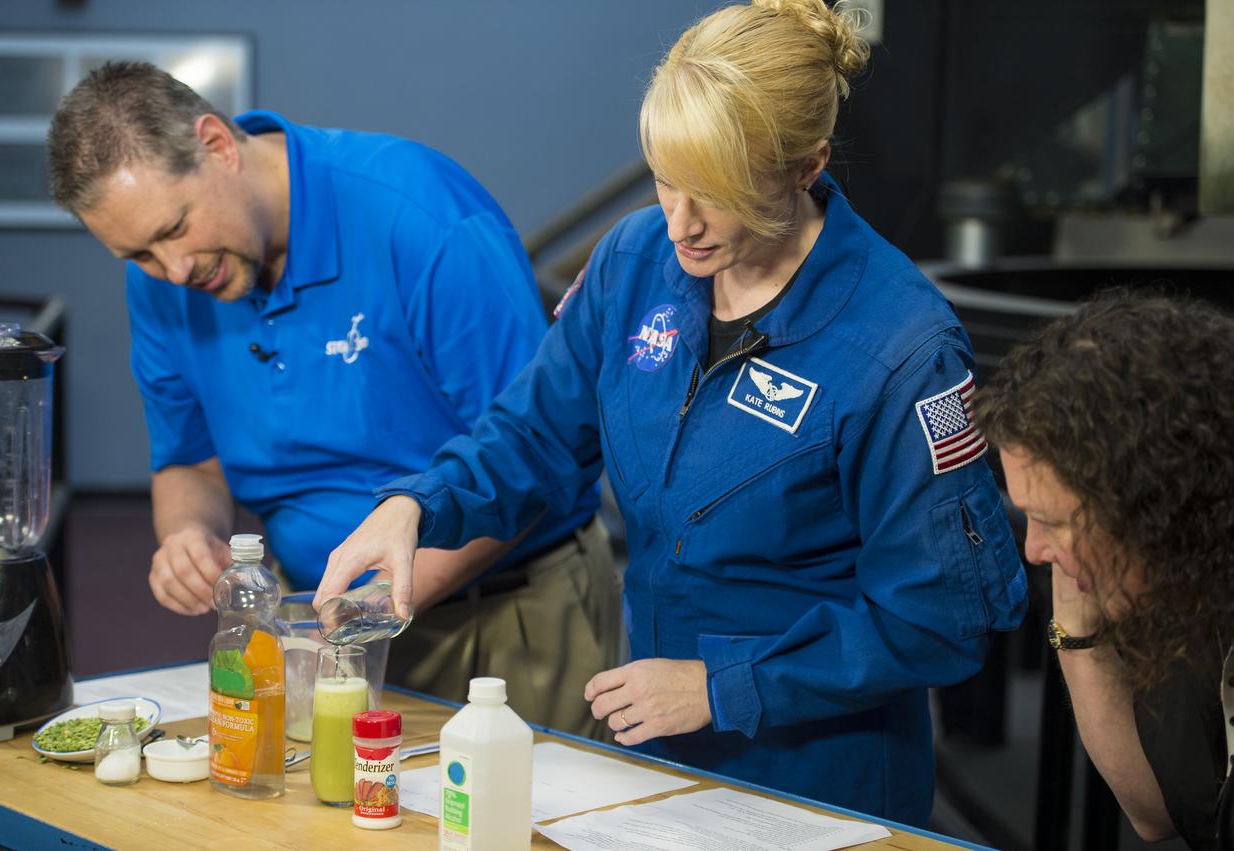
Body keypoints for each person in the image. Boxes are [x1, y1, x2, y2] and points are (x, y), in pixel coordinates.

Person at [315, 0, 1027, 825]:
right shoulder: (633, 260)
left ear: (806, 166)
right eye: (666, 178)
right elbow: (535, 434)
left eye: (717, 193)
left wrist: (723, 686)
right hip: (658, 745)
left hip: (821, 773)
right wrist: (418, 505)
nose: (681, 223)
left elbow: (939, 618)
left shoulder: (900, 347)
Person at [45, 61, 621, 737]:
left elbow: (539, 451)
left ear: (218, 146)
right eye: (139, 254)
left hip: (504, 612)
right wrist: (186, 536)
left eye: (175, 229)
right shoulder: (165, 279)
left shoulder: (416, 215)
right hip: (321, 622)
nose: (172, 271)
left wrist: (364, 609)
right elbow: (190, 458)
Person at [975, 291, 1234, 850]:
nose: (1033, 550)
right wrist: (1077, 625)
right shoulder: (1188, 591)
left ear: (1152, 505)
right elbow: (1162, 812)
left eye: (1052, 522)